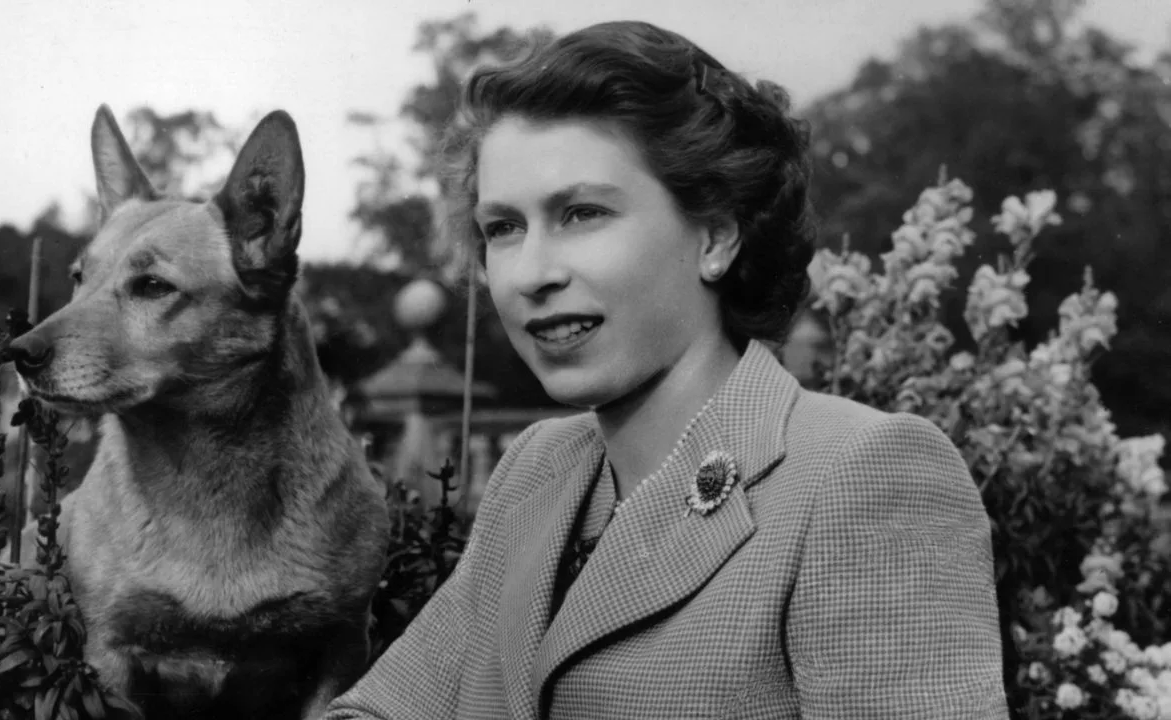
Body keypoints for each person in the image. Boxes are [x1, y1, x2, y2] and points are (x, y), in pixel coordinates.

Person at [322, 20, 1006, 720]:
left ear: (715, 235)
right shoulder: (536, 469)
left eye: (582, 213)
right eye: (503, 228)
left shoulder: (864, 474)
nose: (531, 274)